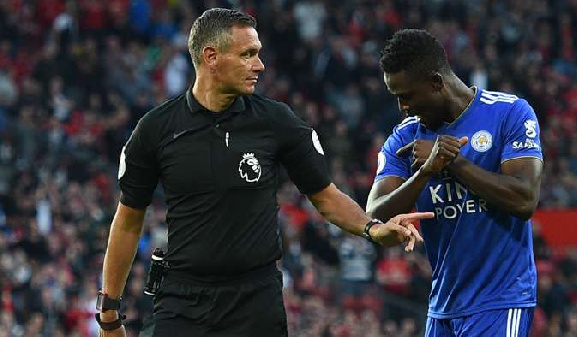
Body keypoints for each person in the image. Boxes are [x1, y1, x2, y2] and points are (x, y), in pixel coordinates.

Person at [96, 9, 433, 337]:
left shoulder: (276, 122)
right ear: (211, 57)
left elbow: (326, 197)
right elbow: (127, 220)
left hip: (255, 302)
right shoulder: (156, 130)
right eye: (247, 55)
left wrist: (373, 230)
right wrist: (109, 313)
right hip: (182, 300)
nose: (260, 65)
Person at [367, 29, 544, 336]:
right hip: (442, 307)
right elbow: (374, 216)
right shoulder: (406, 137)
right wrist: (424, 173)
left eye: (406, 96)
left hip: (500, 301)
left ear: (437, 83)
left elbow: (524, 199)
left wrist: (453, 163)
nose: (402, 107)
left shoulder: (509, 113)